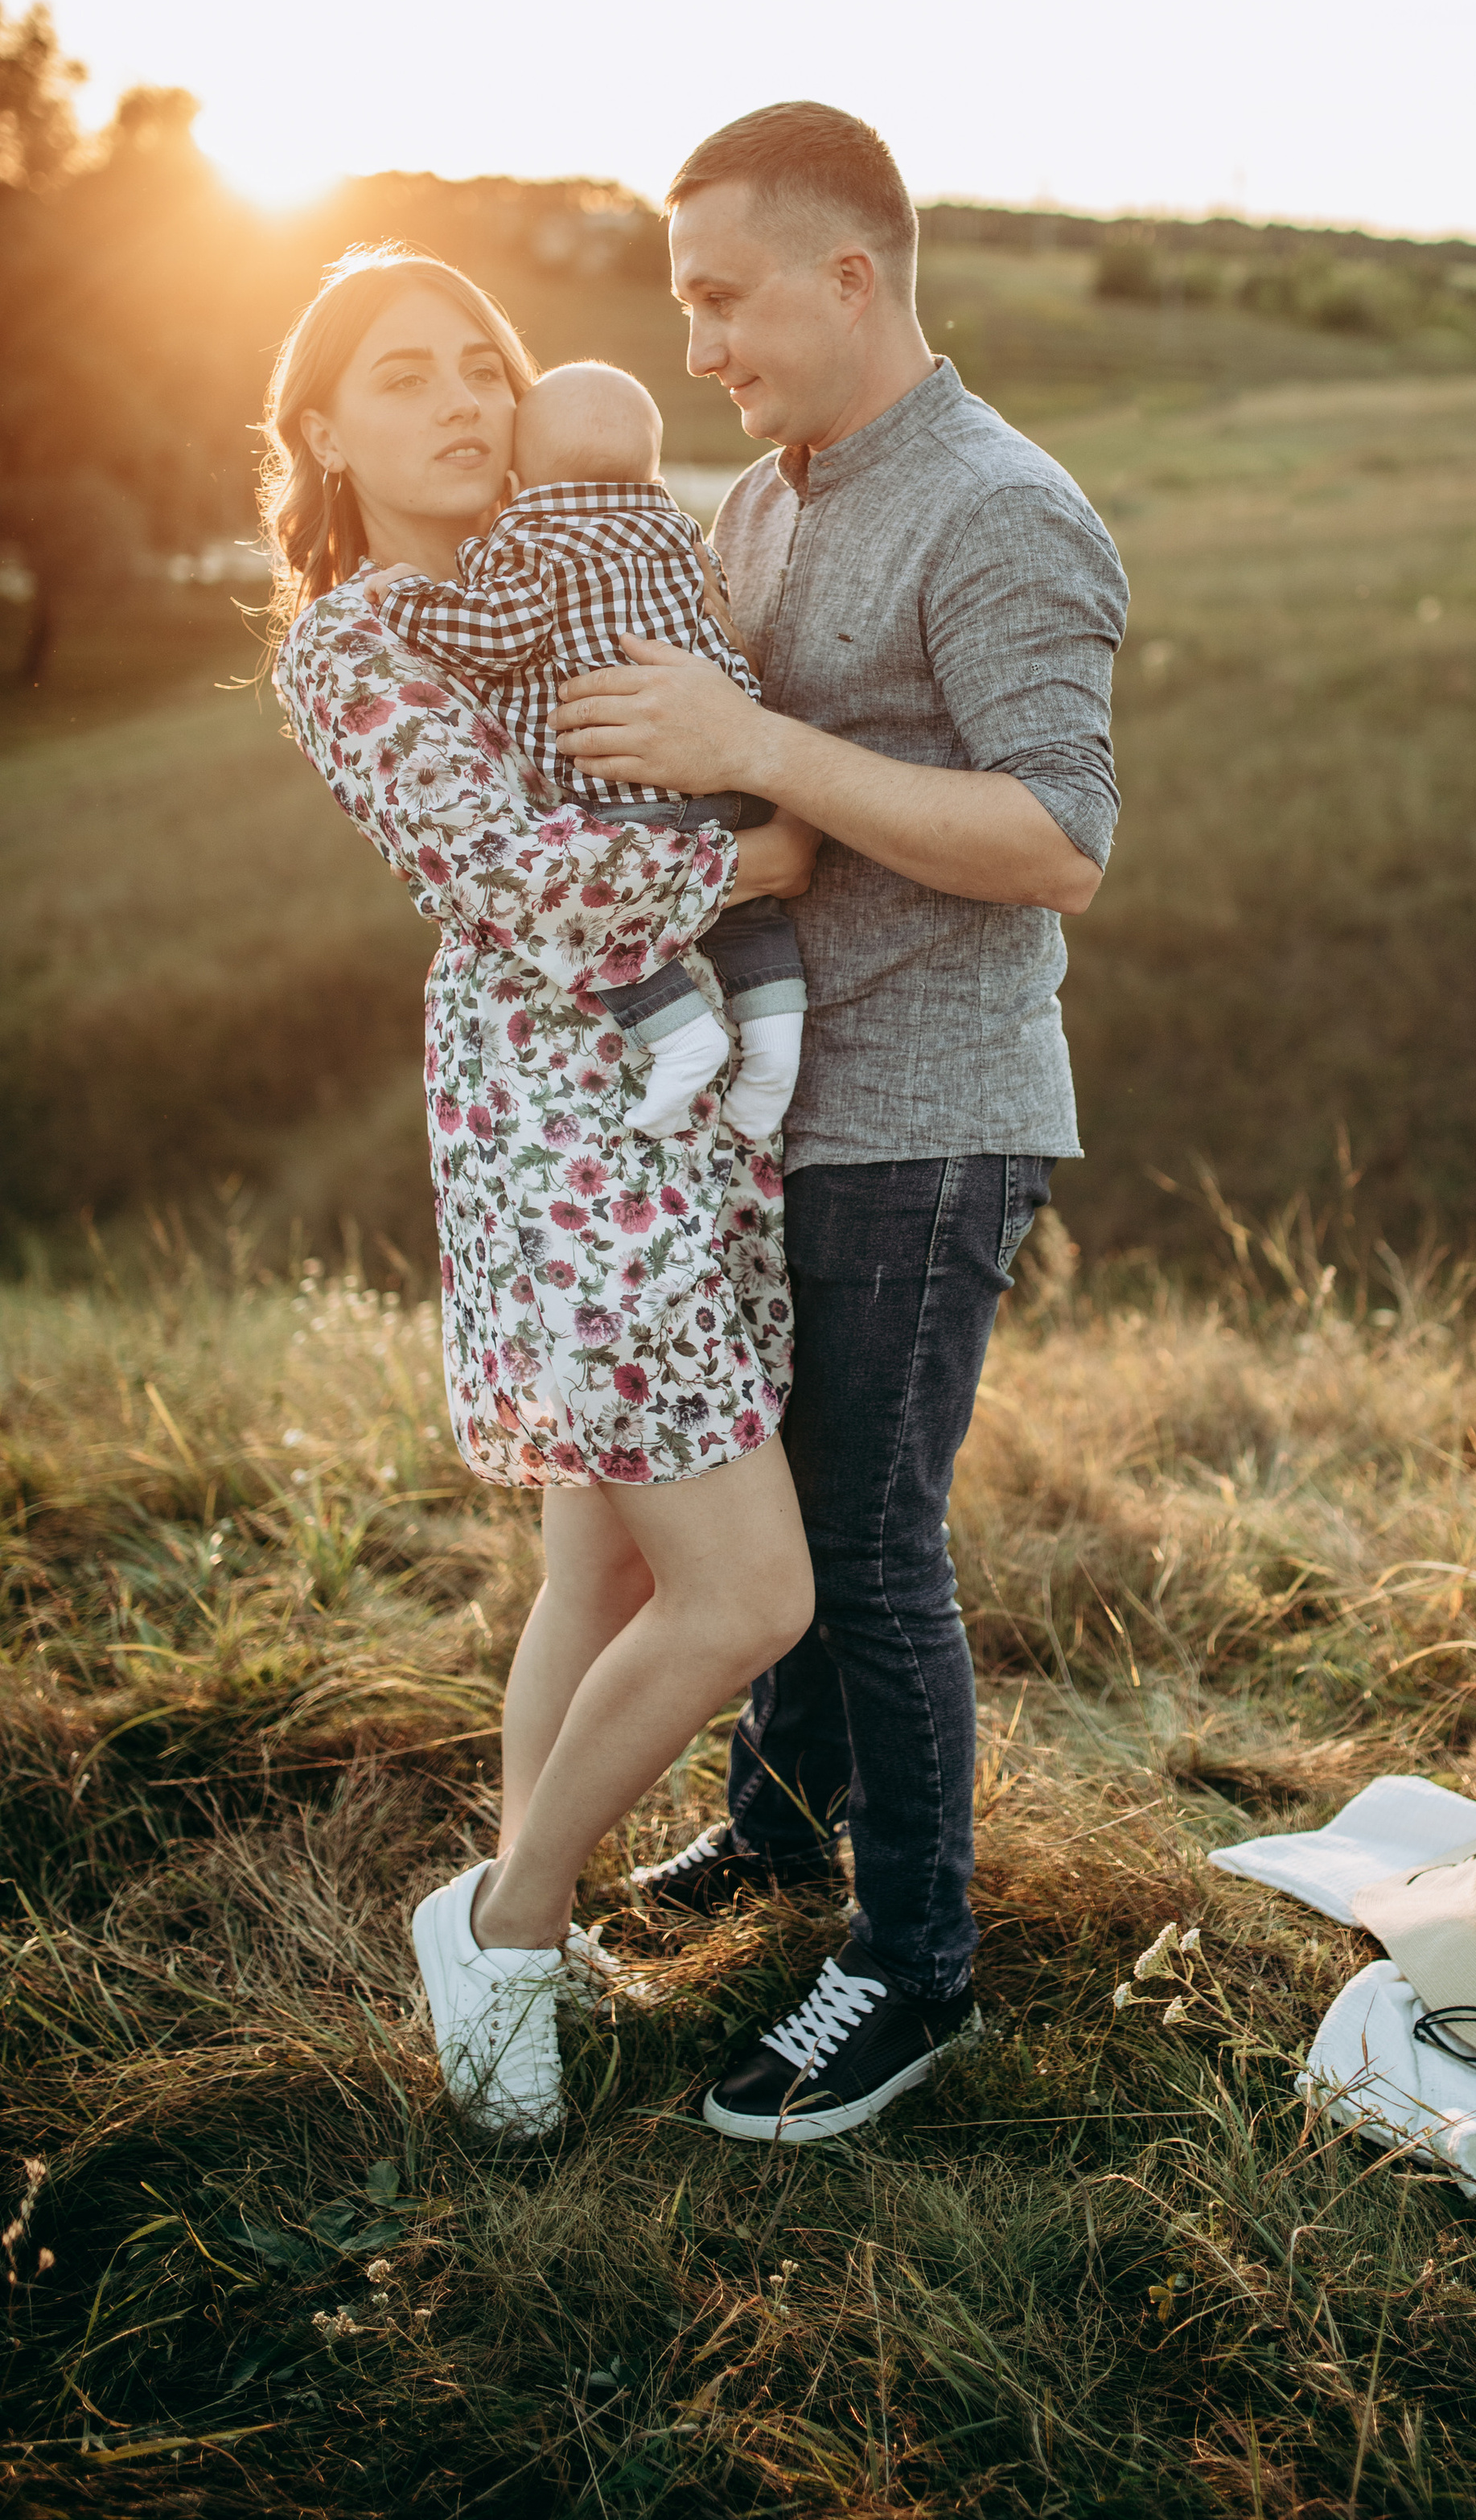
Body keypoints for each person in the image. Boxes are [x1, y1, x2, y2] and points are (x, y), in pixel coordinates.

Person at [553, 102, 1129, 2142]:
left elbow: (1060, 840)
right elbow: (751, 791)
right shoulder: (763, 498)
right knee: (785, 1519)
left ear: (848, 275)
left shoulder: (1001, 508)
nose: (695, 336)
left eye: (721, 295)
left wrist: (752, 745)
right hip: (782, 1108)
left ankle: (911, 1965)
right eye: (682, 299)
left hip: (934, 1114)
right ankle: (779, 1837)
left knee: (870, 1548)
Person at [261, 244, 819, 2139]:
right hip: (571, 1147)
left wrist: (752, 776)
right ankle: (500, 1917)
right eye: (404, 375)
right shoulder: (356, 637)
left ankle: (535, 1901)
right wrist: (772, 847)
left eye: (481, 363)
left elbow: (721, 700)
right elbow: (526, 878)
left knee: (605, 1559)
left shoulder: (580, 563)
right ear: (323, 429)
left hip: (675, 1130)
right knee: (747, 1589)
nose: (464, 401)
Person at [371, 358, 809, 1142]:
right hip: (723, 775)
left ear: (522, 469)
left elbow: (498, 634)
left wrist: (405, 596)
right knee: (754, 923)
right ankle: (775, 1052)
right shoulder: (678, 532)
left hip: (617, 788)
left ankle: (681, 1037)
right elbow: (721, 625)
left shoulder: (529, 540)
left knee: (607, 919)